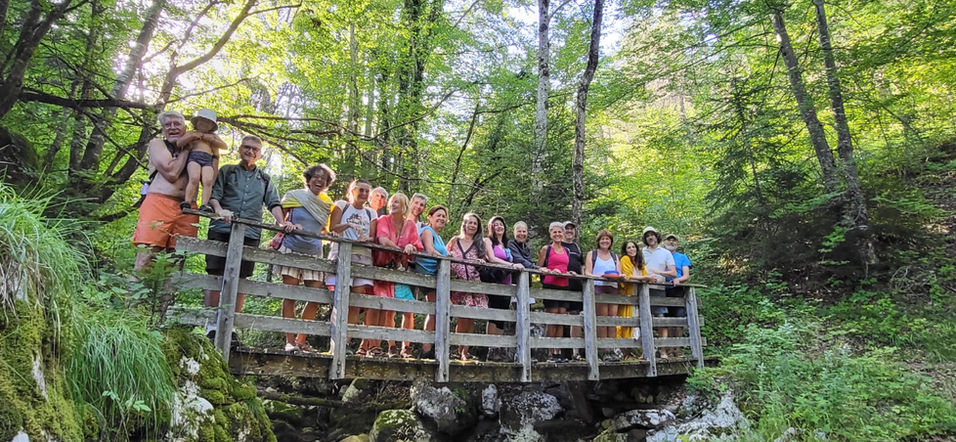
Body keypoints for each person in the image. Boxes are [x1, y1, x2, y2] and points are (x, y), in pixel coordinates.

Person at [205, 135, 293, 342]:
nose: (250, 152)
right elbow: (214, 195)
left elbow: (273, 202)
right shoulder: (227, 171)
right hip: (221, 227)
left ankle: (231, 325)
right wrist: (219, 210)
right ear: (240, 149)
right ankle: (210, 325)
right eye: (247, 147)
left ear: (260, 154)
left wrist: (281, 223)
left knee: (242, 277)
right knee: (214, 273)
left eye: (255, 149)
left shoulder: (264, 179)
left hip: (250, 232)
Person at [131, 110, 197, 316]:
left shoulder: (196, 146)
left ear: (185, 127)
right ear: (163, 129)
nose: (173, 127)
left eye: (177, 123)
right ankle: (131, 311)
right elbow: (171, 173)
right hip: (158, 202)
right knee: (146, 257)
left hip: (187, 208)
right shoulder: (157, 144)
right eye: (168, 125)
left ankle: (164, 316)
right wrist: (186, 150)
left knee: (176, 262)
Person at [274, 164, 336, 353]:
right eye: (315, 176)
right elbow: (278, 220)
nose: (319, 180)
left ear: (327, 183)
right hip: (292, 248)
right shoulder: (294, 196)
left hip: (314, 252)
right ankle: (290, 341)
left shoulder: (327, 204)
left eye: (323, 178)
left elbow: (325, 229)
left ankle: (301, 340)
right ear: (308, 179)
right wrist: (287, 224)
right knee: (290, 295)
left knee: (315, 296)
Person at [326, 179, 378, 356]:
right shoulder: (342, 205)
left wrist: (366, 239)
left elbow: (372, 236)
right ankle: (335, 342)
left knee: (355, 301)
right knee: (340, 298)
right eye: (360, 190)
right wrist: (348, 225)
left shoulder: (371, 213)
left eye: (366, 191)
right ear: (352, 190)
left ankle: (346, 342)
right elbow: (332, 228)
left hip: (363, 256)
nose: (364, 194)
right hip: (342, 254)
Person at [372, 192, 423, 358]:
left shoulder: (410, 225)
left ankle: (406, 347)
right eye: (392, 202)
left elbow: (416, 245)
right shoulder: (383, 220)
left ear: (404, 206)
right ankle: (391, 347)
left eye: (397, 203)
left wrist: (410, 247)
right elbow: (383, 240)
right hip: (384, 270)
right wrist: (401, 250)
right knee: (388, 310)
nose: (392, 205)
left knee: (408, 309)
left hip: (400, 272)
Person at [447, 212, 489, 361]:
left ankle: (465, 351)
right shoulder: (454, 240)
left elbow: (485, 260)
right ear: (464, 224)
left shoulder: (479, 244)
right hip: (458, 283)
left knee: (471, 317)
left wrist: (482, 262)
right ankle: (459, 349)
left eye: (475, 223)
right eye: (469, 222)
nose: (472, 225)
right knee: (461, 317)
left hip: (473, 284)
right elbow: (445, 255)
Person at [484, 216, 524, 362]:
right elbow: (492, 258)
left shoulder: (506, 244)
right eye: (496, 225)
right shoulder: (488, 241)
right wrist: (511, 266)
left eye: (501, 224)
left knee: (502, 317)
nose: (499, 227)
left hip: (506, 283)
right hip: (495, 281)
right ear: (491, 227)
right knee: (494, 315)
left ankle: (498, 349)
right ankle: (490, 348)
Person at [537, 222, 574, 362]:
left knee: (561, 319)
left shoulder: (566, 250)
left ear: (563, 234)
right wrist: (550, 271)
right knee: (552, 319)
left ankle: (558, 351)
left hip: (564, 285)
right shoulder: (546, 249)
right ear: (550, 233)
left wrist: (569, 273)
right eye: (555, 232)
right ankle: (550, 352)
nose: (557, 234)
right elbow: (538, 267)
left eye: (560, 232)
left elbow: (565, 266)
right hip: (550, 285)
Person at [416, 205, 449, 359]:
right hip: (427, 274)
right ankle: (426, 348)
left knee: (439, 310)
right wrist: (447, 258)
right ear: (430, 217)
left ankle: (432, 345)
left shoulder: (439, 237)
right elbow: (429, 250)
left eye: (443, 216)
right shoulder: (427, 231)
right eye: (438, 215)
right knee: (435, 309)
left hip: (438, 276)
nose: (441, 218)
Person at [584, 229, 622, 361]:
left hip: (613, 287)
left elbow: (618, 272)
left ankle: (612, 349)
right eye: (602, 239)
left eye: (607, 239)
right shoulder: (592, 254)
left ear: (611, 241)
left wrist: (619, 276)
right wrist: (599, 276)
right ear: (598, 241)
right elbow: (587, 272)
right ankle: (604, 350)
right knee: (602, 319)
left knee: (612, 320)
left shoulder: (614, 256)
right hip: (598, 287)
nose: (605, 241)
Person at [177, 109, 226, 212]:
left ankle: (204, 204)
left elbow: (224, 146)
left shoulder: (212, 136)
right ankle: (187, 201)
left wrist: (211, 139)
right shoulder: (192, 133)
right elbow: (179, 142)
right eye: (202, 121)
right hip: (194, 157)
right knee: (194, 178)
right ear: (197, 122)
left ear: (212, 126)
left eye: (208, 122)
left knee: (208, 181)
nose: (205, 124)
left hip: (208, 160)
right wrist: (192, 136)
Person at [641, 226, 677, 358]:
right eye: (647, 236)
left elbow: (673, 273)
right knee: (644, 319)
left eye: (652, 235)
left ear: (657, 236)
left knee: (661, 318)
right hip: (643, 288)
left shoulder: (665, 253)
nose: (650, 237)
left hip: (659, 288)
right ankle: (646, 351)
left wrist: (658, 272)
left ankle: (663, 350)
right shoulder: (641, 252)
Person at [617, 240, 653, 358]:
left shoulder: (639, 262)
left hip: (639, 295)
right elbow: (628, 276)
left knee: (638, 321)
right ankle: (625, 351)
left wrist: (649, 278)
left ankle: (634, 350)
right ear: (625, 250)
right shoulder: (625, 259)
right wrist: (645, 278)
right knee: (626, 321)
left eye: (633, 247)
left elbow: (644, 274)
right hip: (628, 295)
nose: (631, 249)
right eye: (629, 247)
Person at [663, 233, 692, 358]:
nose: (671, 242)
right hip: (663, 289)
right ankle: (670, 349)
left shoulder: (682, 257)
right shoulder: (661, 255)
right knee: (667, 319)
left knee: (679, 318)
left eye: (674, 240)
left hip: (677, 289)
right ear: (664, 242)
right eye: (669, 240)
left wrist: (678, 280)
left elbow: (686, 275)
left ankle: (678, 348)